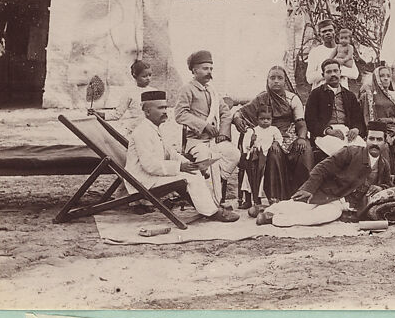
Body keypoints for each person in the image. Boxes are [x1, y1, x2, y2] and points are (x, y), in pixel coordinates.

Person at [124, 89, 239, 222]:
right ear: (148, 111)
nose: (165, 112)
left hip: (151, 176)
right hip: (143, 180)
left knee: (193, 174)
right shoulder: (142, 132)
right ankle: (212, 212)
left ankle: (209, 208)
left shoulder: (154, 128)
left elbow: (171, 153)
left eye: (166, 107)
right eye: (160, 108)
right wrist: (180, 167)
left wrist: (190, 165)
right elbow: (149, 165)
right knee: (190, 178)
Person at [256, 124, 392, 228]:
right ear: (365, 140)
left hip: (345, 206)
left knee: (324, 215)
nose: (374, 143)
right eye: (371, 138)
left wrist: (380, 188)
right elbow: (323, 168)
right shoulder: (350, 152)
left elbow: (388, 186)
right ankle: (269, 211)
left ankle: (273, 218)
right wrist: (309, 188)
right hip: (329, 193)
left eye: (379, 139)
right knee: (302, 206)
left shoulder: (384, 165)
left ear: (385, 142)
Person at [231, 64, 313, 206]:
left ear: (285, 81)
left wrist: (301, 138)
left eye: (280, 78)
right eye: (272, 78)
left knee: (304, 149)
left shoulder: (292, 99)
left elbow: (301, 123)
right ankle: (277, 197)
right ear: (267, 80)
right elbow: (241, 112)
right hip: (267, 136)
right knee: (273, 153)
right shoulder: (261, 98)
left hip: (289, 135)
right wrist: (237, 118)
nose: (276, 81)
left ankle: (304, 193)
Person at [173, 49, 241, 204]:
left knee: (233, 154)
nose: (209, 72)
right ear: (194, 70)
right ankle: (213, 203)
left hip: (214, 141)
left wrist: (223, 133)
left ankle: (212, 190)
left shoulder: (212, 90)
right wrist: (203, 126)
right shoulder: (187, 89)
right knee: (208, 160)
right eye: (205, 68)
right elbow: (179, 114)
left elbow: (225, 113)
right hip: (196, 141)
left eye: (211, 69)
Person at [360, 63, 395, 189]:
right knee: (383, 147)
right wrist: (384, 134)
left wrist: (391, 121)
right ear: (376, 78)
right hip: (378, 133)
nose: (386, 78)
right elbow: (368, 121)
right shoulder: (368, 96)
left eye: (388, 76)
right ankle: (387, 186)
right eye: (382, 76)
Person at [305, 58, 367, 164]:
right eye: (329, 72)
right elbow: (310, 121)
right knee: (343, 153)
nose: (333, 74)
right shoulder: (316, 94)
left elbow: (358, 119)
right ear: (323, 75)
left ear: (340, 73)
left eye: (335, 71)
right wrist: (328, 131)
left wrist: (356, 129)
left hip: (347, 132)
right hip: (325, 134)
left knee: (364, 152)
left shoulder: (349, 95)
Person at [104, 59, 151, 134]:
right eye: (144, 76)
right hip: (135, 131)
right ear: (135, 75)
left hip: (151, 131)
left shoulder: (154, 92)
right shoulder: (129, 93)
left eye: (150, 75)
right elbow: (117, 114)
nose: (148, 78)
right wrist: (99, 114)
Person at [304, 18, 339, 88]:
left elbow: (354, 74)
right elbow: (310, 78)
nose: (327, 33)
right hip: (321, 93)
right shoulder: (315, 52)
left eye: (330, 30)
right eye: (324, 31)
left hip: (341, 92)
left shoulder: (344, 49)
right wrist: (332, 73)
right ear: (319, 35)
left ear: (335, 32)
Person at [332, 25, 362, 91]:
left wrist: (344, 60)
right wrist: (330, 60)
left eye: (346, 38)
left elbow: (349, 56)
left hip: (346, 62)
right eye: (341, 38)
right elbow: (333, 53)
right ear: (339, 38)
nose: (343, 40)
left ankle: (342, 87)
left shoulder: (349, 47)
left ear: (350, 39)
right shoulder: (338, 46)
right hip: (339, 62)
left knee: (343, 77)